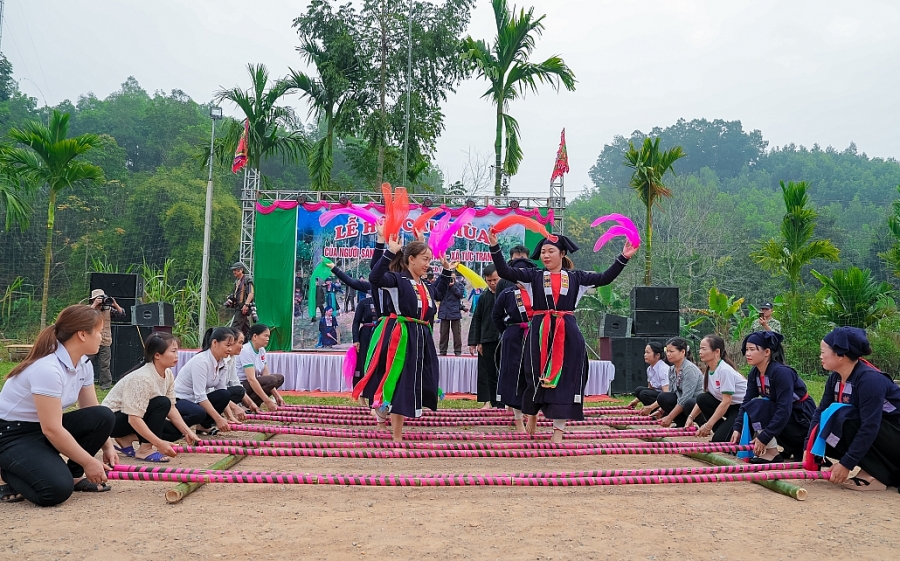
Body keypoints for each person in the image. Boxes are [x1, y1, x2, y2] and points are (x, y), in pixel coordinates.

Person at [488, 229, 636, 442]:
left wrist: (623, 257)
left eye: (551, 251)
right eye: (543, 252)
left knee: (566, 377)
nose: (546, 255)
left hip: (567, 331)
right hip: (540, 330)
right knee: (533, 374)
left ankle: (558, 431)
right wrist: (494, 246)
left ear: (562, 253)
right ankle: (532, 414)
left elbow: (605, 277)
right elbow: (504, 270)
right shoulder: (533, 276)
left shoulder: (577, 278)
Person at [0, 305, 117, 506]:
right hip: (12, 434)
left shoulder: (83, 364)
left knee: (103, 415)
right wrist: (89, 461)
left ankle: (74, 476)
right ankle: (6, 472)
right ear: (82, 334)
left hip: (40, 429)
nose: (102, 337)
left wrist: (108, 446)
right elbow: (52, 429)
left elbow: (91, 410)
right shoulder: (47, 369)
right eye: (99, 332)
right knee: (54, 491)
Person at [356, 224, 452, 442]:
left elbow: (439, 293)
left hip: (422, 337)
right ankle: (396, 434)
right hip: (402, 337)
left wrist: (447, 270)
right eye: (425, 259)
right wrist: (389, 250)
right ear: (411, 259)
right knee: (400, 380)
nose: (428, 264)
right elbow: (375, 278)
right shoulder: (397, 280)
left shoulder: (425, 285)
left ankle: (389, 415)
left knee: (417, 379)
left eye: (430, 260)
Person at [804, 327, 900, 491]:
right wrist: (808, 446)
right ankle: (873, 469)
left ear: (841, 355)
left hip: (894, 435)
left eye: (823, 352)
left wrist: (846, 464)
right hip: (881, 434)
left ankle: (875, 474)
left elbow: (870, 426)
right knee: (830, 418)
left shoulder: (870, 380)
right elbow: (820, 411)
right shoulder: (835, 378)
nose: (820, 356)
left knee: (845, 417)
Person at [102, 332, 200, 463]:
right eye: (173, 351)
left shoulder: (168, 374)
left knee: (175, 432)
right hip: (112, 421)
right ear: (157, 355)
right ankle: (144, 450)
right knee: (162, 402)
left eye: (177, 351)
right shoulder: (142, 378)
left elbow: (171, 408)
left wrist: (187, 432)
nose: (177, 355)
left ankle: (126, 438)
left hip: (134, 418)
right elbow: (133, 418)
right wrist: (159, 443)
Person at [731, 331, 815, 463]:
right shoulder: (755, 373)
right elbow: (746, 401)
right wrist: (737, 427)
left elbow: (784, 409)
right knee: (754, 404)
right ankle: (784, 449)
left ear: (767, 352)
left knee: (759, 405)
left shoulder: (782, 373)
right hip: (786, 421)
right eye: (746, 349)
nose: (748, 353)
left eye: (752, 349)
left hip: (801, 421)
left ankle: (772, 453)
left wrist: (764, 437)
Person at [492, 276, 536, 432]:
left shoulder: (537, 291)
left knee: (533, 375)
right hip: (514, 337)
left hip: (535, 335)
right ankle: (518, 419)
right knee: (514, 376)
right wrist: (508, 331)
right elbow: (496, 315)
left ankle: (533, 415)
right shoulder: (507, 293)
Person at [685, 334, 747, 442]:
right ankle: (722, 430)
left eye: (704, 349)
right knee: (702, 398)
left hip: (741, 408)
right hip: (729, 407)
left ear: (717, 352)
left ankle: (736, 431)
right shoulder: (709, 370)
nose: (700, 352)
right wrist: (691, 417)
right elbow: (703, 400)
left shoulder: (724, 370)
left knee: (719, 440)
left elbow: (726, 401)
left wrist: (708, 426)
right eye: (700, 349)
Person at [173, 327, 234, 436]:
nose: (230, 349)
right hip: (180, 399)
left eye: (231, 346)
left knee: (224, 394)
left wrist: (230, 416)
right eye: (227, 345)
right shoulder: (201, 361)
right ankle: (176, 428)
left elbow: (221, 389)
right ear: (214, 343)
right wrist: (218, 419)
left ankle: (203, 426)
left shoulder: (222, 363)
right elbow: (200, 396)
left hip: (195, 400)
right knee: (198, 413)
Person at [639, 337, 703, 428]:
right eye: (667, 351)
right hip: (683, 401)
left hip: (695, 403)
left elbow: (685, 398)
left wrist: (670, 417)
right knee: (663, 397)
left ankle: (703, 423)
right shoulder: (672, 369)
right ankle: (681, 423)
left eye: (671, 351)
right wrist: (660, 411)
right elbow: (672, 393)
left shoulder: (689, 370)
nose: (668, 354)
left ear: (682, 352)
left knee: (688, 403)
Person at [468, 266, 503, 409]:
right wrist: (474, 342)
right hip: (487, 339)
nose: (492, 283)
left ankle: (503, 402)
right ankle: (489, 401)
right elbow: (477, 319)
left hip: (504, 338)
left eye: (495, 280)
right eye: (489, 281)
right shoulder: (483, 297)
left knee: (503, 371)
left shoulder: (507, 294)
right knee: (487, 371)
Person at [239, 324, 286, 410]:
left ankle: (254, 402)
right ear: (255, 336)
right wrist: (267, 401)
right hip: (241, 385)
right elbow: (251, 379)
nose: (268, 339)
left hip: (251, 383)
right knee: (272, 380)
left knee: (279, 378)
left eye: (268, 336)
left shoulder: (261, 350)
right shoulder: (246, 350)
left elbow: (265, 374)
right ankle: (244, 402)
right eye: (265, 336)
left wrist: (277, 396)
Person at [87, 288, 126, 390]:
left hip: (105, 341)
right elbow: (84, 316)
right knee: (86, 363)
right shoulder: (89, 309)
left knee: (105, 365)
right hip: (90, 341)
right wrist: (95, 305)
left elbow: (122, 314)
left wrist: (115, 304)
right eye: (98, 298)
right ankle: (83, 383)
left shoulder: (108, 309)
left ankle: (105, 385)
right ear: (93, 299)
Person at [221, 329, 257, 422]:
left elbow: (235, 382)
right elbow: (215, 391)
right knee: (232, 392)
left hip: (219, 393)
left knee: (239, 390)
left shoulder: (232, 358)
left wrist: (251, 403)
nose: (242, 346)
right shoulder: (219, 360)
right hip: (202, 397)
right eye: (240, 342)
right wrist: (234, 409)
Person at [628, 341, 669, 409]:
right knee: (639, 390)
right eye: (645, 352)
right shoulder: (649, 369)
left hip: (666, 398)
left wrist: (651, 407)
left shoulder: (663, 369)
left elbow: (666, 394)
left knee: (644, 394)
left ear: (657, 355)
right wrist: (636, 401)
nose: (645, 355)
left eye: (648, 352)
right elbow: (651, 388)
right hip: (658, 395)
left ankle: (658, 410)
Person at [352, 293, 378, 389]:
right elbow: (356, 322)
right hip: (365, 334)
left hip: (379, 332)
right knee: (363, 359)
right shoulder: (364, 302)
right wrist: (356, 340)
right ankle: (362, 388)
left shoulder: (384, 302)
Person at [438, 272, 465, 356]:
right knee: (443, 333)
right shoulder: (443, 285)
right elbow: (438, 294)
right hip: (444, 311)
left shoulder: (459, 285)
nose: (451, 279)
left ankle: (458, 351)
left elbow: (460, 294)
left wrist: (452, 286)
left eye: (452, 278)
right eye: (449, 278)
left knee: (457, 333)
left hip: (455, 312)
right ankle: (443, 351)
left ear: (455, 277)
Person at [228, 262, 254, 339]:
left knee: (234, 329)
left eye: (235, 270)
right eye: (233, 270)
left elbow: (251, 293)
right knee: (246, 330)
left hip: (242, 308)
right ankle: (251, 342)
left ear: (241, 270)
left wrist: (246, 305)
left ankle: (231, 344)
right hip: (238, 308)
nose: (234, 272)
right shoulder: (237, 282)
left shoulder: (247, 280)